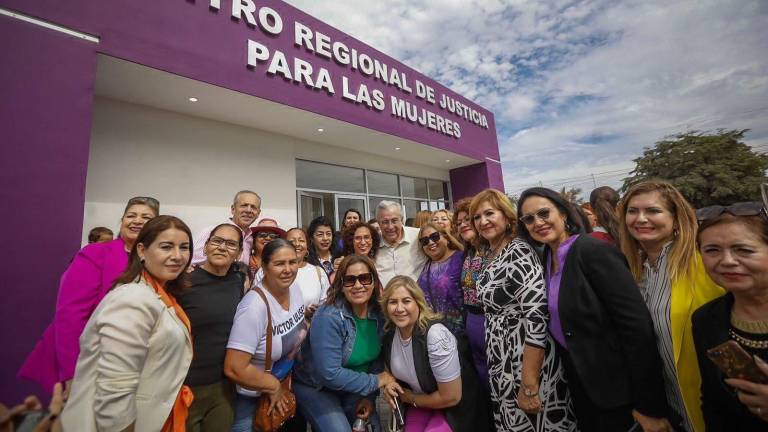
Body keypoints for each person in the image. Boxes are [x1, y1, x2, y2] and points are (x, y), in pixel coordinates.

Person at [61, 215, 194, 431]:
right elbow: (115, 389)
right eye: (166, 247)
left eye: (184, 247)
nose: (177, 256)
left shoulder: (158, 294)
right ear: (142, 251)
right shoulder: (132, 299)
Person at [19, 196, 160, 394]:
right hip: (87, 360)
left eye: (146, 217)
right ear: (122, 220)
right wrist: (72, 373)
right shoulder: (95, 254)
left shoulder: (156, 262)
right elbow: (70, 315)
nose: (137, 220)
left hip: (127, 365)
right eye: (131, 215)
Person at [618, 180, 724, 431]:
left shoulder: (705, 263)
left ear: (676, 219)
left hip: (718, 405)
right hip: (668, 409)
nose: (641, 219)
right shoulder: (634, 273)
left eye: (653, 211)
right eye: (632, 211)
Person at [471, 188, 576, 431]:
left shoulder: (519, 251)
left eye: (489, 213)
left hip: (526, 364)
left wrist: (529, 383)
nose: (483, 221)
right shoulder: (491, 252)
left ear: (507, 217)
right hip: (502, 363)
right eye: (477, 217)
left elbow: (537, 318)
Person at [292, 255, 395, 432]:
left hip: (355, 387)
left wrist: (369, 398)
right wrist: (377, 381)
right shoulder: (328, 316)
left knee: (371, 428)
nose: (357, 285)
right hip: (317, 387)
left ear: (373, 281)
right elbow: (329, 374)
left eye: (364, 278)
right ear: (341, 285)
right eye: (349, 280)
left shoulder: (379, 314)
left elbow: (376, 360)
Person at [692, 201, 768, 430]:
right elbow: (713, 402)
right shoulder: (705, 319)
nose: (727, 261)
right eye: (712, 250)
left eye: (743, 249)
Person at [380, 276, 491, 432]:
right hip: (420, 405)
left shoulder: (436, 335)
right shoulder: (389, 337)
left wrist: (410, 398)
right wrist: (389, 383)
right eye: (393, 302)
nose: (399, 308)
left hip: (454, 409)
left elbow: (451, 397)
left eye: (406, 301)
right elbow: (388, 371)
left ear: (418, 303)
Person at [224, 239, 308, 432]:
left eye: (292, 262)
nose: (288, 269)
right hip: (252, 400)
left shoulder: (294, 289)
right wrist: (272, 386)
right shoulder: (253, 307)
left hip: (284, 385)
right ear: (264, 266)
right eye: (279, 263)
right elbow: (234, 367)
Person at [178, 223, 247, 432]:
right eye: (216, 241)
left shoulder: (238, 280)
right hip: (185, 385)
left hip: (223, 387)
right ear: (206, 246)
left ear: (239, 252)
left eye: (230, 244)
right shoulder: (183, 283)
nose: (222, 247)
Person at [452, 198, 491, 388]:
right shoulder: (468, 253)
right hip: (472, 324)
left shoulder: (493, 250)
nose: (463, 225)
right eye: (458, 223)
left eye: (468, 219)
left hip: (491, 324)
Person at [416, 223, 465, 335]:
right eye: (425, 241)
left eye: (435, 236)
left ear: (446, 237)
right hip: (432, 332)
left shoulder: (462, 258)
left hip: (459, 332)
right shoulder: (425, 265)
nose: (430, 242)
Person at [192, 190, 261, 266]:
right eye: (244, 205)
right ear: (233, 209)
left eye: (253, 207)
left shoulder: (250, 239)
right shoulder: (212, 231)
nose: (248, 210)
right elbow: (192, 261)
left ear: (258, 213)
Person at [375, 201, 427, 287]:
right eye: (385, 222)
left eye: (394, 220)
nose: (390, 227)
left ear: (402, 219)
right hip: (385, 299)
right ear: (378, 223)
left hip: (416, 297)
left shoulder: (418, 237)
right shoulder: (373, 243)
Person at [285, 227, 330, 320]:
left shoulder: (318, 272)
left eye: (301, 240)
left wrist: (316, 312)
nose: (297, 244)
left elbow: (327, 305)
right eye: (292, 241)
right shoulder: (272, 271)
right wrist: (301, 314)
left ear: (307, 247)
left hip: (312, 331)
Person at [249, 218, 287, 282]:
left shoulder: (284, 263)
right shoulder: (244, 260)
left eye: (273, 236)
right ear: (254, 240)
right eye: (263, 235)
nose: (268, 238)